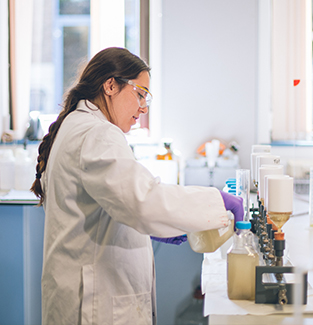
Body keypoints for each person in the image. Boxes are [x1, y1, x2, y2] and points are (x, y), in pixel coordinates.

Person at [31, 47, 243, 325]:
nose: (143, 108)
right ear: (110, 85)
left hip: (82, 292)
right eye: (140, 93)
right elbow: (143, 201)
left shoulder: (78, 124)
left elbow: (111, 202)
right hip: (93, 305)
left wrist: (153, 230)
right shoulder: (97, 133)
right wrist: (217, 201)